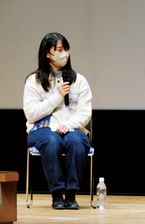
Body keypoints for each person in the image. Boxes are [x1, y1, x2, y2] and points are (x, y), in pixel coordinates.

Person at [23, 32, 92, 210]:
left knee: (77, 141)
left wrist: (69, 125)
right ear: (48, 54)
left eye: (66, 49)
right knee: (51, 141)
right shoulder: (34, 81)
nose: (65, 54)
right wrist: (57, 96)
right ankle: (56, 194)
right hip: (42, 129)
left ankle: (71, 194)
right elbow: (31, 114)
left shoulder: (79, 80)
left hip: (71, 128)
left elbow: (85, 112)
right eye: (59, 50)